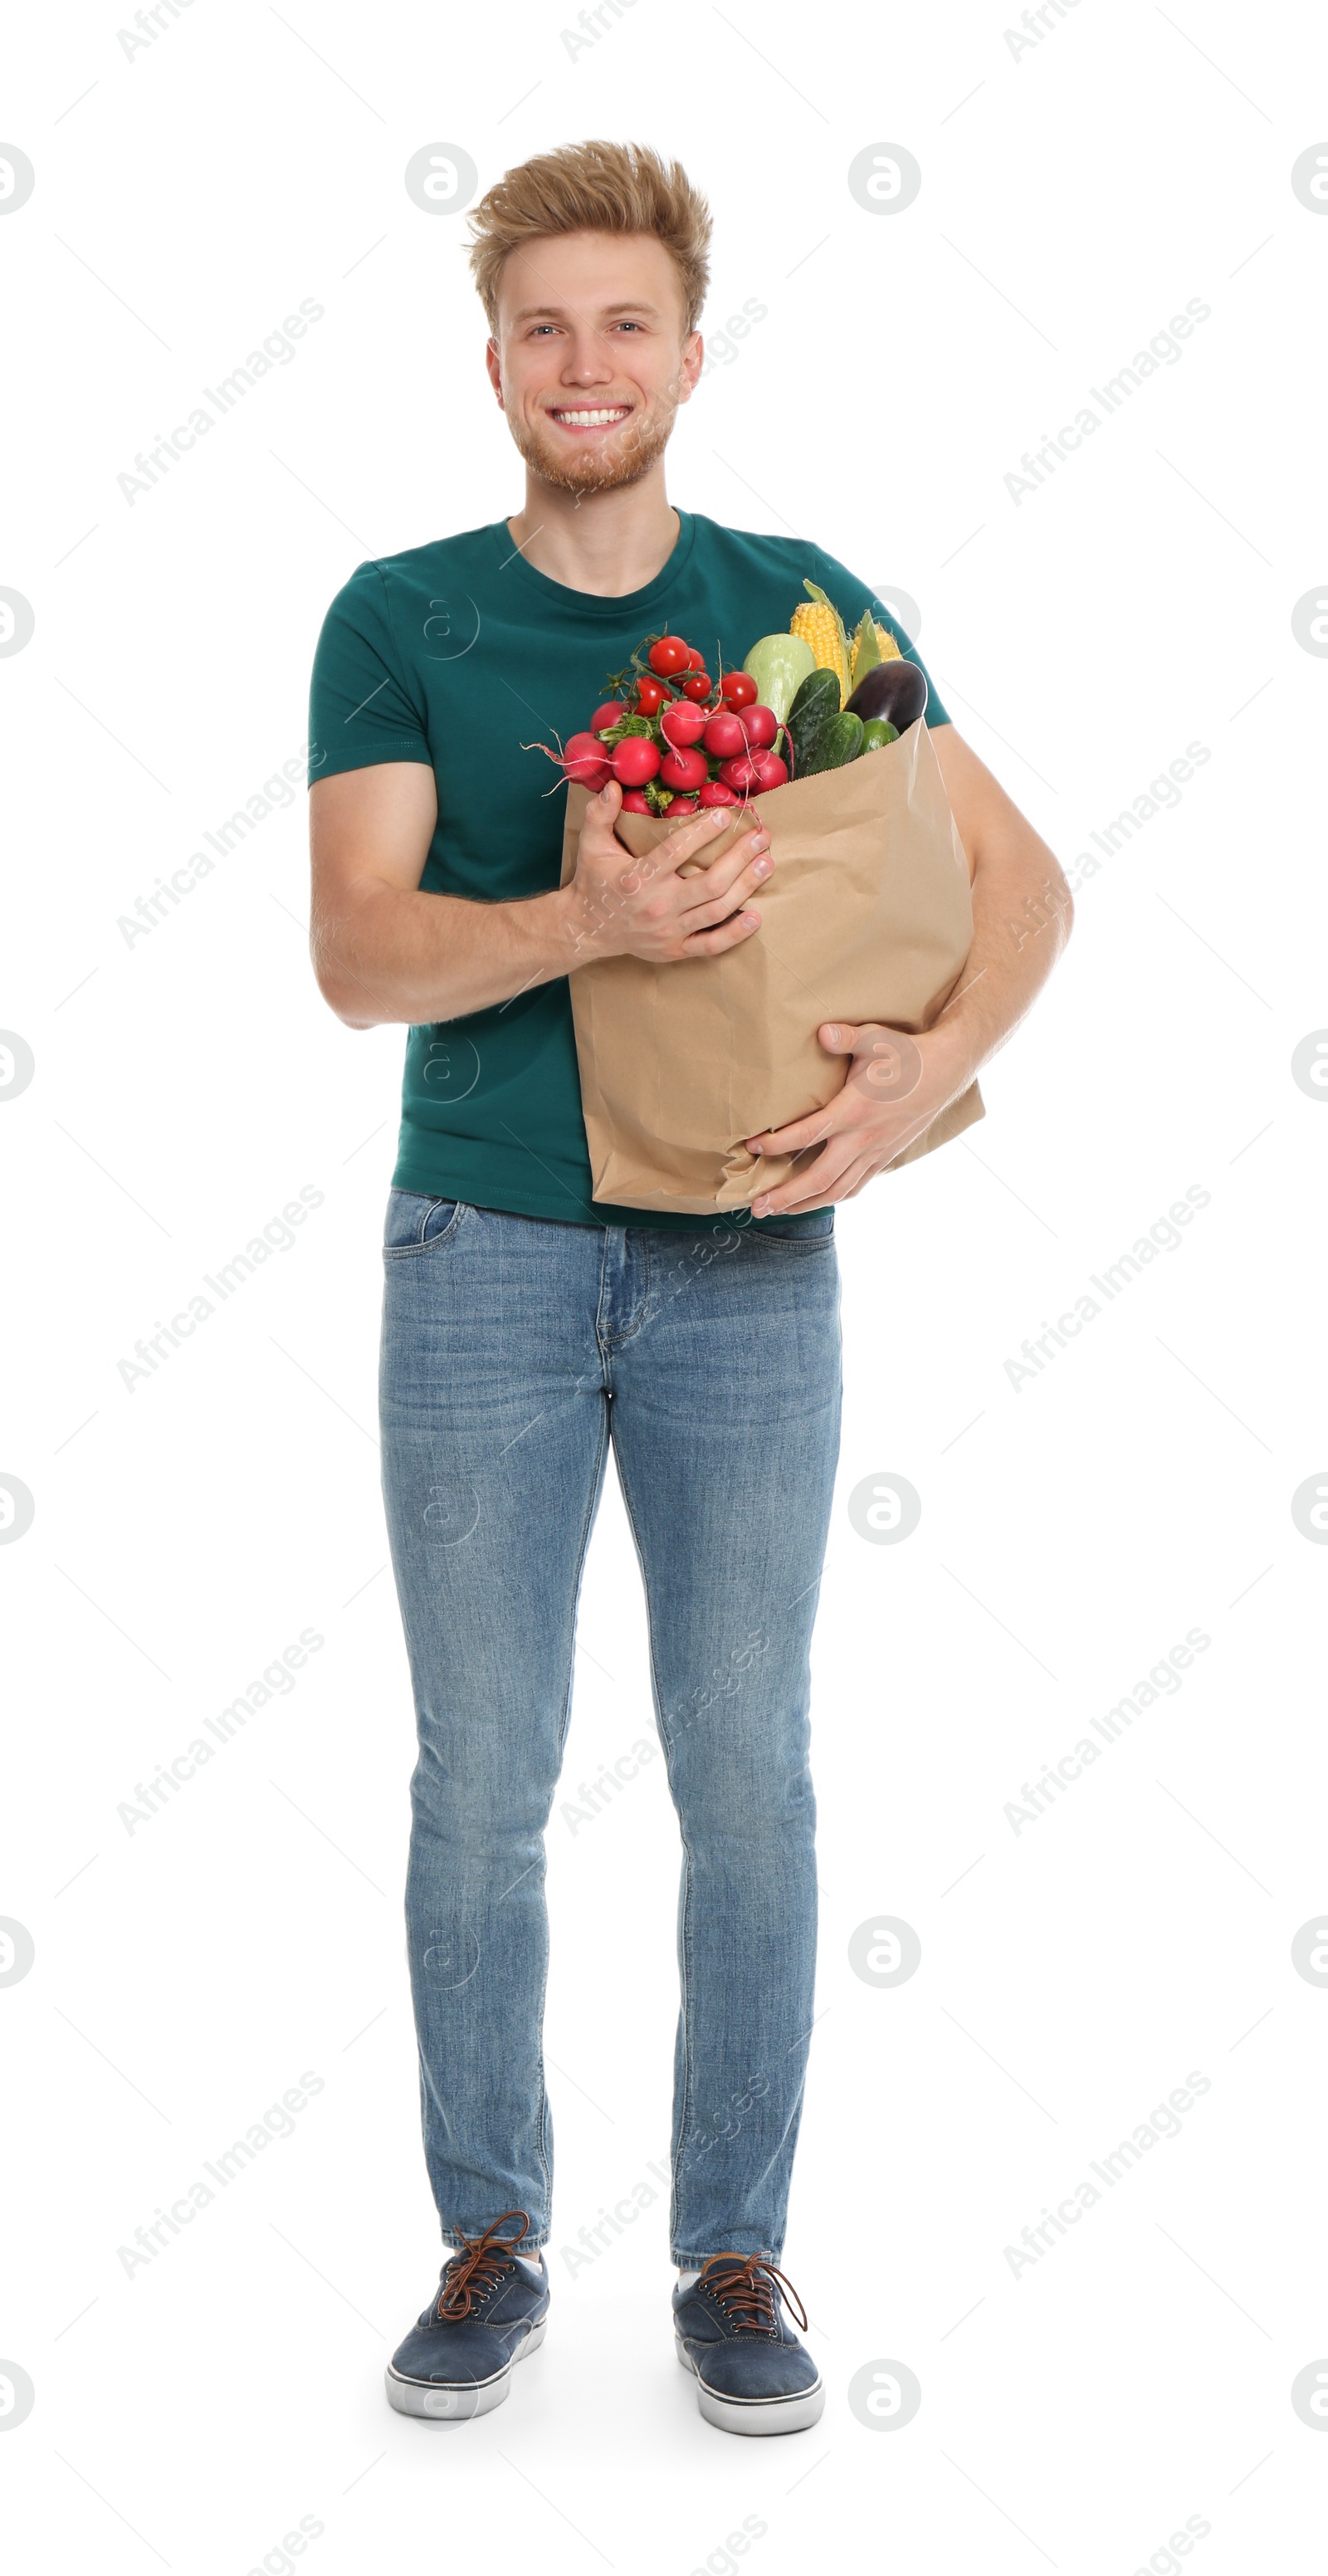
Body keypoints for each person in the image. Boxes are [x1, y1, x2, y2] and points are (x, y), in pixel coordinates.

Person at [306, 137, 1072, 2437]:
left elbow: (1017, 882)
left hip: (755, 1258)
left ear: (690, 354)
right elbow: (358, 960)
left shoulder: (799, 603)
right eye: (543, 325)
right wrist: (587, 924)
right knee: (485, 1777)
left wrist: (921, 1074)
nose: (585, 362)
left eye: (625, 321)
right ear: (493, 363)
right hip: (485, 1252)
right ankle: (492, 2231)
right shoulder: (401, 617)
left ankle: (737, 2252)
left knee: (750, 1770)